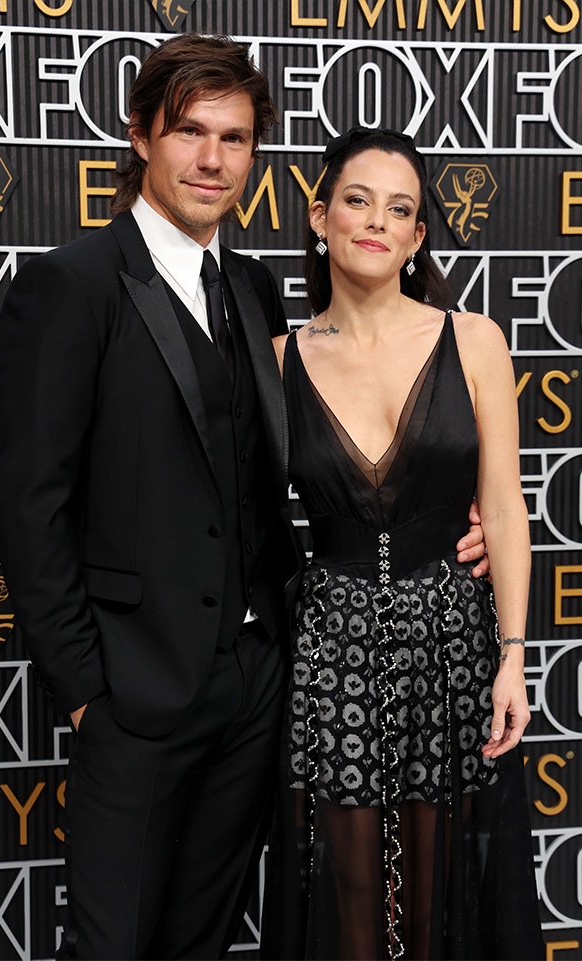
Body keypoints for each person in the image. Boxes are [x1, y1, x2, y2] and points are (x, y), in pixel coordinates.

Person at [0, 33, 488, 960]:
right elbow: (25, 506)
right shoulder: (70, 283)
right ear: (141, 135)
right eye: (190, 132)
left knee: (205, 941)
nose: (212, 159)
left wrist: (455, 522)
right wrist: (87, 693)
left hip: (261, 685)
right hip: (134, 695)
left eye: (235, 138)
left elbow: (307, 466)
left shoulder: (254, 289)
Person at [262, 128, 543, 961]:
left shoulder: (474, 340)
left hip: (453, 644)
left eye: (399, 209)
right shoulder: (277, 360)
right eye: (358, 201)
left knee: (438, 887)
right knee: (351, 897)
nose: (377, 222)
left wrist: (513, 656)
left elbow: (504, 505)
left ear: (418, 236)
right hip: (331, 650)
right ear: (321, 217)